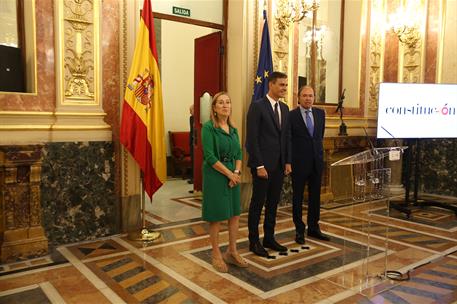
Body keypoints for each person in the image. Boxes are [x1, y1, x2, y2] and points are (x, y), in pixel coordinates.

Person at [246, 71, 292, 257]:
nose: (284, 88)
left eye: (286, 85)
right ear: (271, 85)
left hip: (280, 165)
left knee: (273, 204)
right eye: (281, 85)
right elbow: (252, 139)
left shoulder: (285, 108)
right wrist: (258, 165)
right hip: (262, 167)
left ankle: (269, 237)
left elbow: (286, 137)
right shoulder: (257, 107)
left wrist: (288, 161)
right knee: (258, 204)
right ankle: (254, 241)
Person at [201, 91, 248, 273]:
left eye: (228, 102)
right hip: (216, 175)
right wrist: (230, 174)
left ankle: (232, 251)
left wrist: (236, 172)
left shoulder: (233, 129)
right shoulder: (208, 128)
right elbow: (210, 157)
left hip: (232, 175)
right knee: (216, 216)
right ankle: (215, 254)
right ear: (214, 107)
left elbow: (238, 153)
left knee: (234, 214)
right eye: (220, 103)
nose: (225, 105)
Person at [290, 86, 330, 244]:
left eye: (311, 96)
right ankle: (299, 230)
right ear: (298, 98)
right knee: (298, 198)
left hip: (316, 163)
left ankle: (314, 227)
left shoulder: (320, 114)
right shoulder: (291, 116)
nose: (308, 98)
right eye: (305, 95)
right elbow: (289, 139)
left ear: (314, 98)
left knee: (315, 198)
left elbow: (319, 137)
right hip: (298, 164)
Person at [188, 104, 194, 185]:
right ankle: (193, 178)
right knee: (193, 160)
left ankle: (194, 179)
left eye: (191, 110)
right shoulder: (191, 118)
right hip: (192, 142)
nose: (190, 112)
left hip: (195, 142)